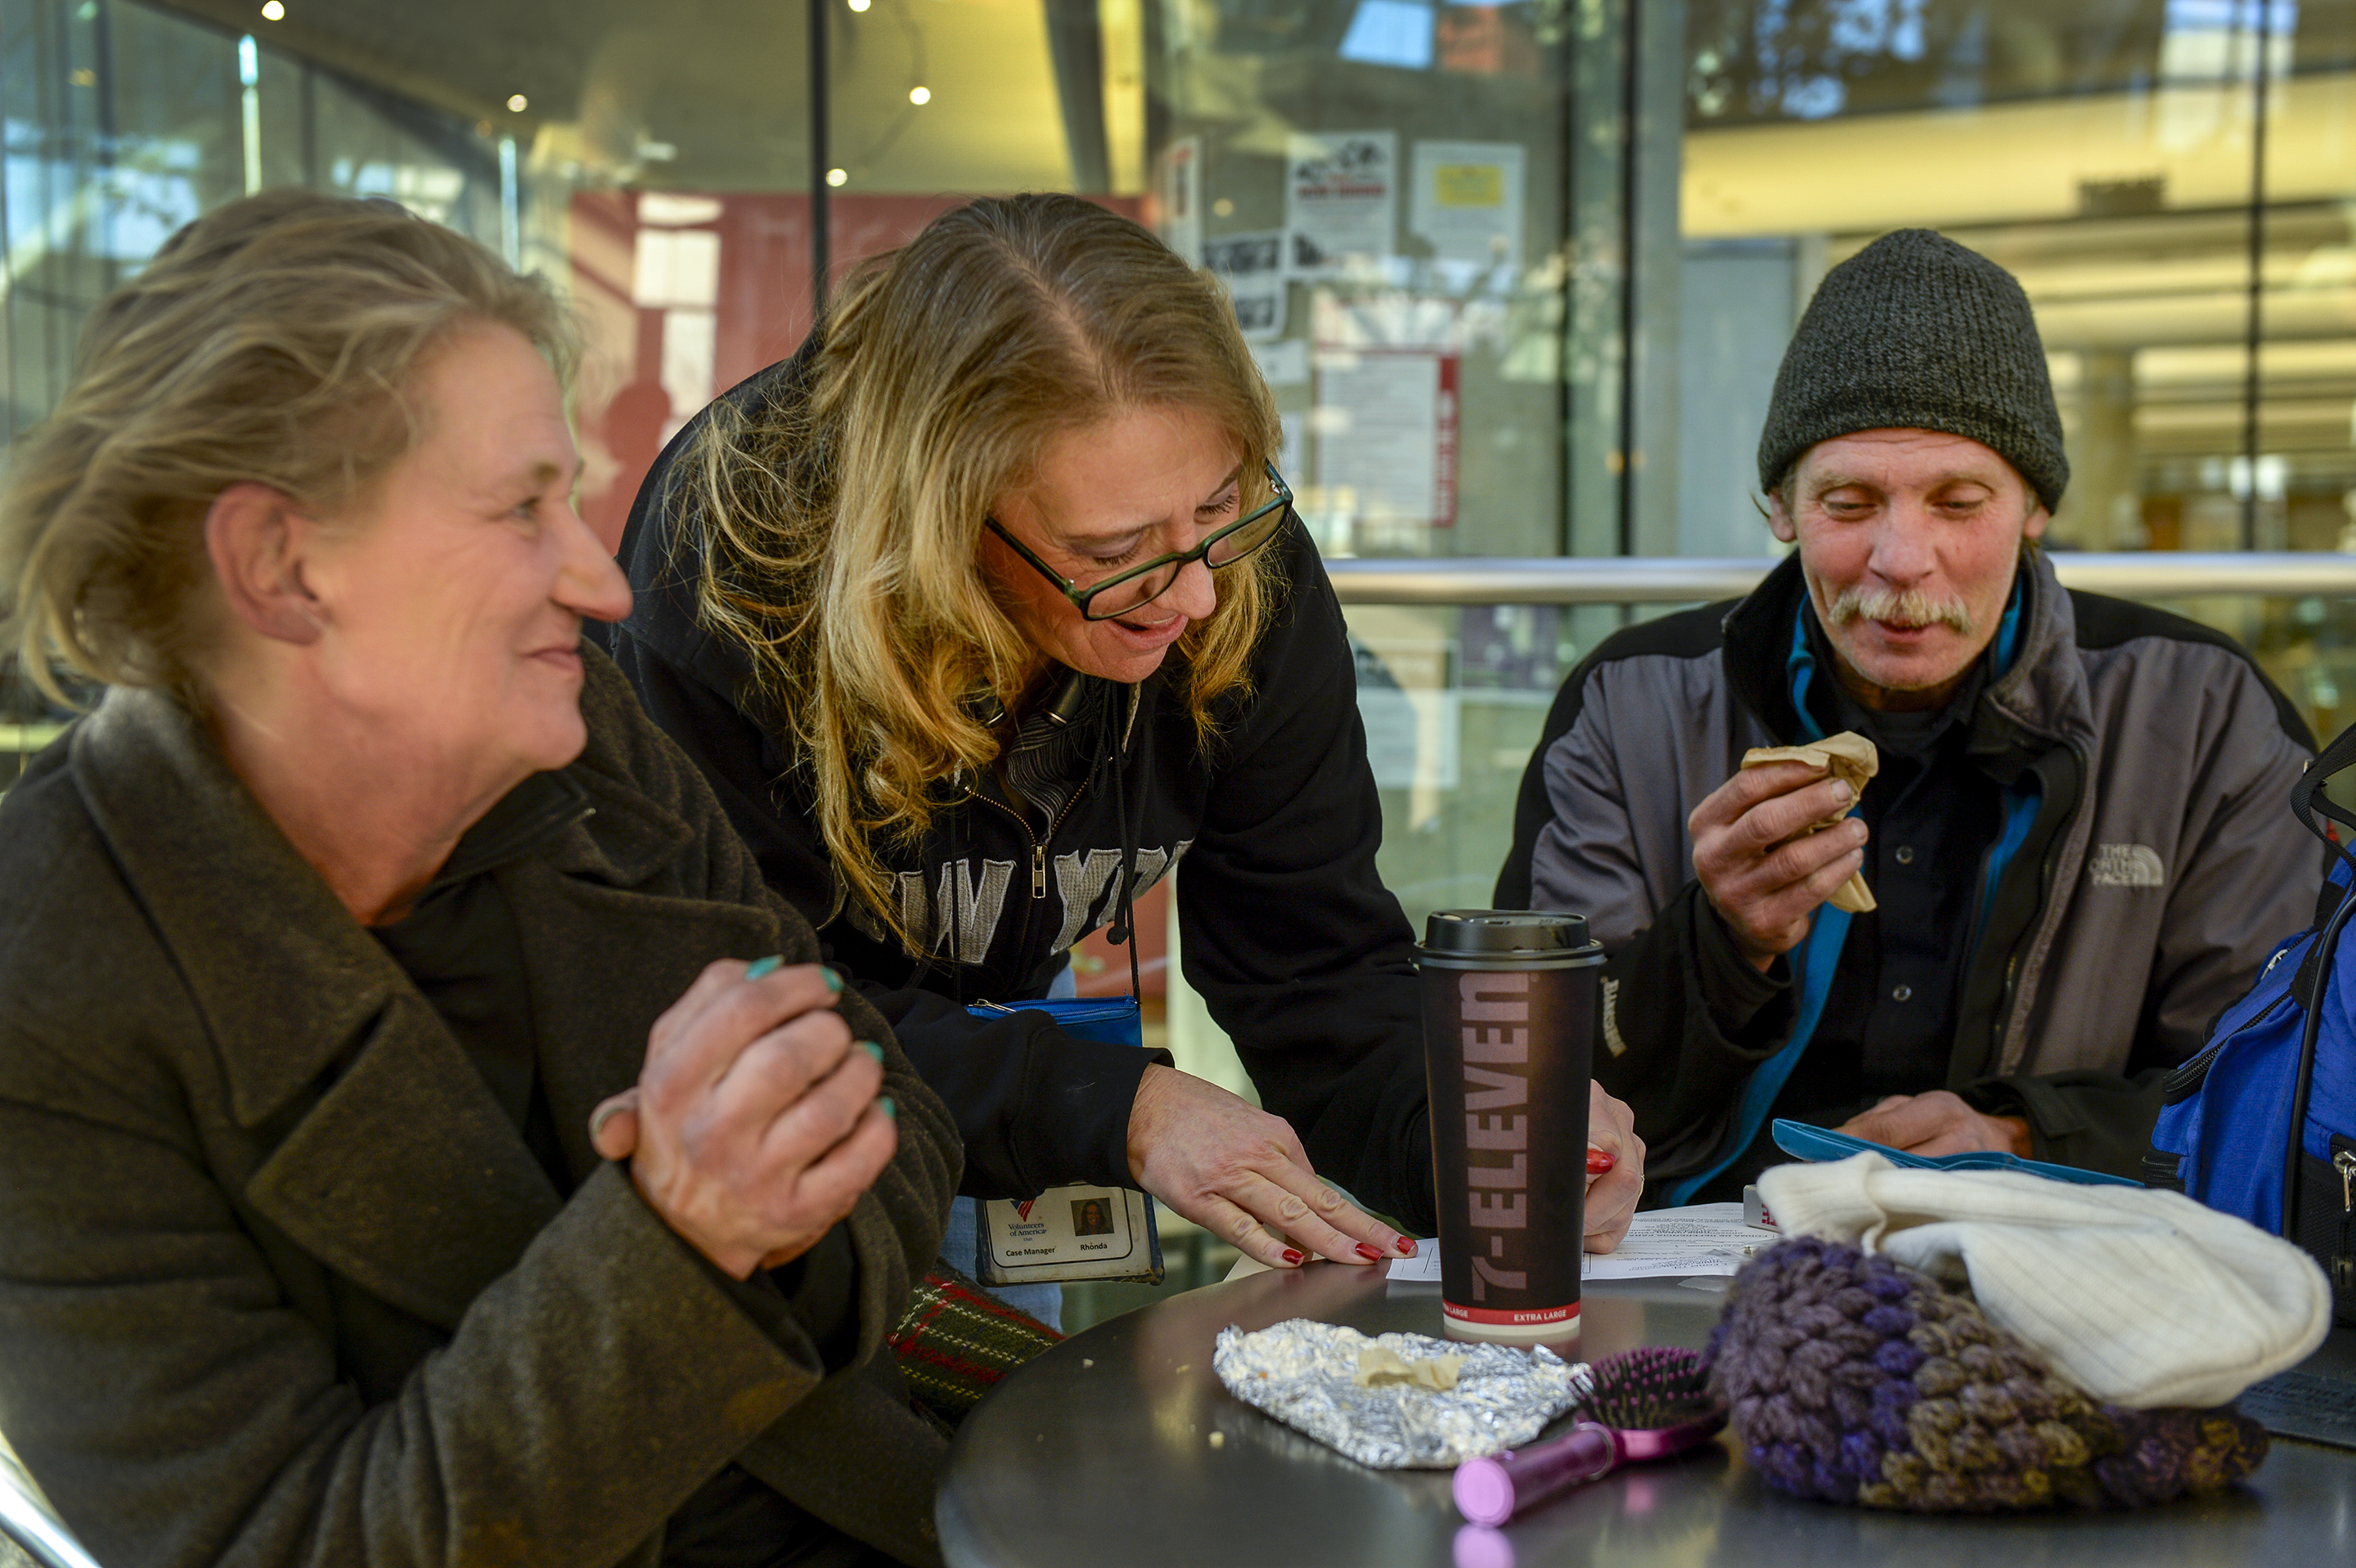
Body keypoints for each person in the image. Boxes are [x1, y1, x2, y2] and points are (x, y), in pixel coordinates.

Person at [0, 191, 961, 1567]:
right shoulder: (50, 983)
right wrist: (680, 1247)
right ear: (280, 566)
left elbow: (891, 1120)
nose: (603, 582)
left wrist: (778, 1213)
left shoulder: (576, 743)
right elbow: (289, 1543)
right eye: (524, 508)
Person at [606, 193, 1645, 1287]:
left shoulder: (1232, 560)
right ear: (936, 517)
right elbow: (729, 1000)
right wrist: (1116, 1102)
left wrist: (1475, 1131)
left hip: (1008, 1083)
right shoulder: (729, 563)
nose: (1193, 594)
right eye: (1112, 549)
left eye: (1219, 503)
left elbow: (1315, 967)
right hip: (744, 1164)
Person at [1498, 227, 2320, 1204]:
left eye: (1959, 500)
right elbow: (1520, 1070)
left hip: (2062, 1243)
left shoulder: (2200, 712)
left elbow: (2281, 1080)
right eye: (1848, 502)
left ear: (2035, 508)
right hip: (1704, 1243)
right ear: (1780, 509)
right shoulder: (1630, 704)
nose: (1902, 557)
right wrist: (1718, 943)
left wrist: (2020, 1132)